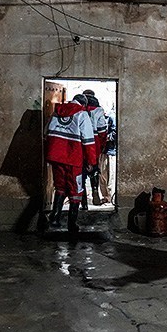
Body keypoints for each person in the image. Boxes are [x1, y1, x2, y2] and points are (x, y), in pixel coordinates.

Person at [45, 94, 98, 233]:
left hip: (56, 157)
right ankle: (72, 224)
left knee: (60, 187)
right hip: (74, 159)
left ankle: (54, 219)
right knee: (76, 190)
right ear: (83, 104)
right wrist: (91, 161)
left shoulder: (57, 112)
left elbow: (47, 133)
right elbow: (88, 141)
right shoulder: (82, 114)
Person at [82, 89, 109, 207]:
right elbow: (102, 130)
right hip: (94, 143)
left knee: (80, 171)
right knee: (94, 169)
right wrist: (102, 144)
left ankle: (83, 200)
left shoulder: (80, 108)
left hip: (79, 143)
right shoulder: (98, 110)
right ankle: (95, 191)